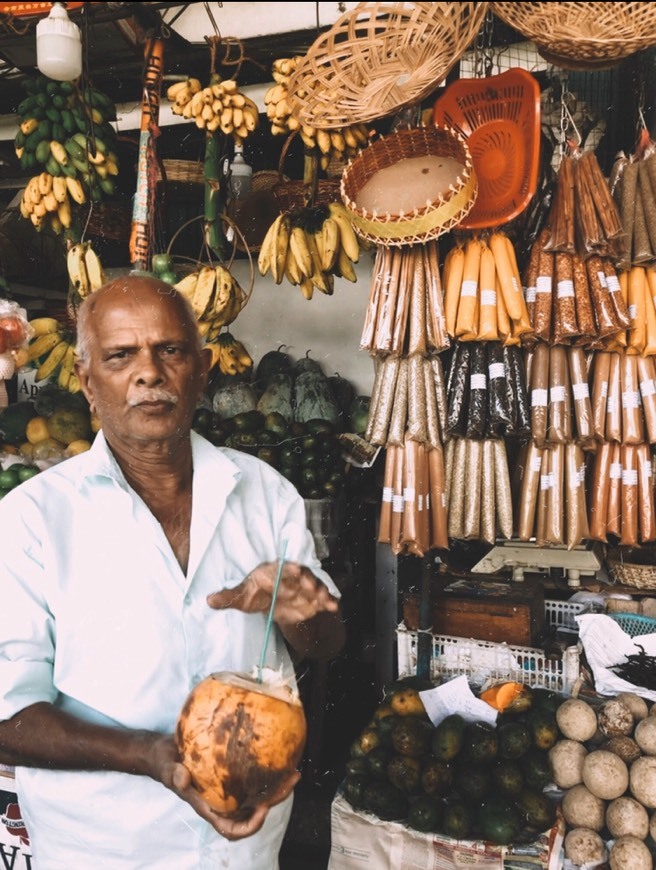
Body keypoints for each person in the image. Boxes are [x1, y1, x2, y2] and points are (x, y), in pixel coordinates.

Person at [0, 275, 346, 868]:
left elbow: (330, 644)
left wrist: (298, 613)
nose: (149, 373)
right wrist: (153, 755)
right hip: (103, 848)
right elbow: (9, 717)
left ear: (203, 370)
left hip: (248, 845)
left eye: (170, 350)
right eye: (120, 356)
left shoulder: (266, 493)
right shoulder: (31, 520)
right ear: (86, 381)